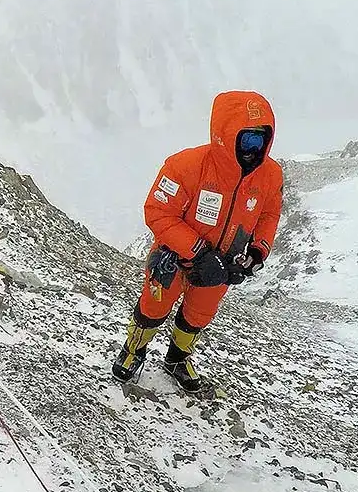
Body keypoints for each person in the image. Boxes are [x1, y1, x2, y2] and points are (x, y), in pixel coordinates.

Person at [112, 90, 283, 391]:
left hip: (224, 263)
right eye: (246, 139)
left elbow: (269, 214)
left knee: (199, 314)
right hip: (175, 256)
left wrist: (258, 251)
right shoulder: (186, 166)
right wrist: (199, 252)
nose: (252, 149)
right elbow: (158, 212)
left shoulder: (270, 175)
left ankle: (177, 359)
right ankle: (133, 350)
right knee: (154, 307)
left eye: (260, 140)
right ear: (224, 134)